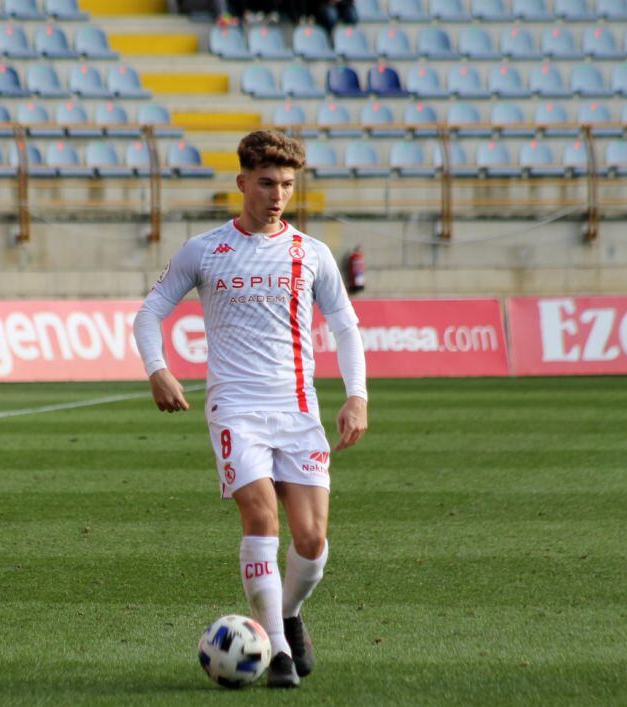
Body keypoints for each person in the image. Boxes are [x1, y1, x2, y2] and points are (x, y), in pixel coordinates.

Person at [133, 130, 368, 688]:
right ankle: (280, 654)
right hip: (235, 407)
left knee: (311, 539)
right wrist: (157, 369)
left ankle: (285, 614)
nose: (278, 193)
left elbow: (345, 325)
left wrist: (356, 395)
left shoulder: (311, 253)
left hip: (297, 409)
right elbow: (149, 313)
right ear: (242, 183)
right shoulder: (205, 249)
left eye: (287, 183)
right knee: (261, 515)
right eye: (266, 182)